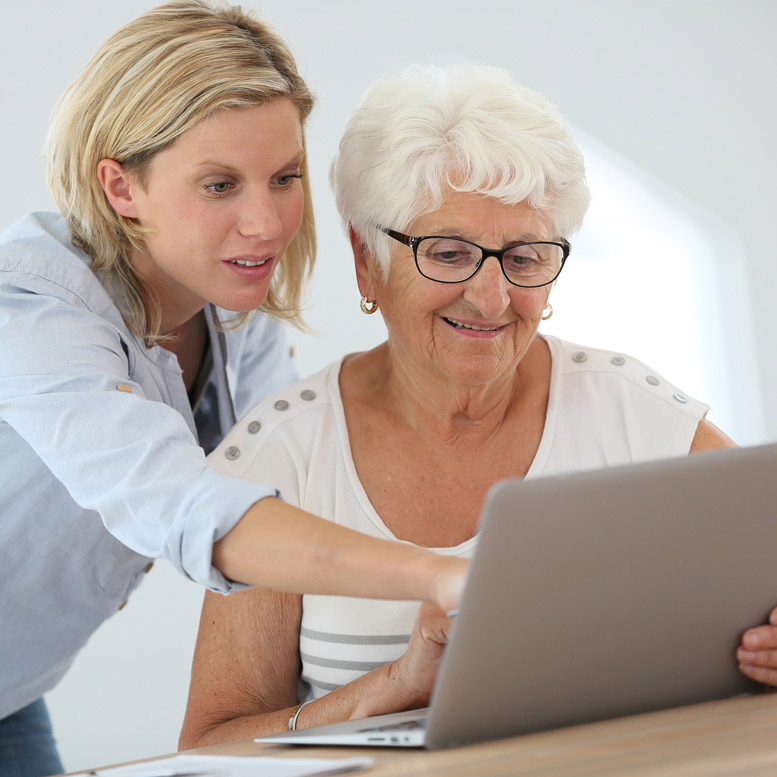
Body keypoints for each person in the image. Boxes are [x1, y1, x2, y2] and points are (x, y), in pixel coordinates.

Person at [178, 64, 740, 748]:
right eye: (448, 253)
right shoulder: (281, 453)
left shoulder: (634, 417)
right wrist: (393, 686)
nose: (491, 297)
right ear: (366, 260)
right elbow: (209, 746)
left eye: (525, 257)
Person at [0, 7, 466, 776]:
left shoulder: (226, 306)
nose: (264, 223)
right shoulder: (32, 311)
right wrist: (438, 573)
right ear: (120, 185)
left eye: (283, 178)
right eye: (219, 184)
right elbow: (194, 509)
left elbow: (293, 487)